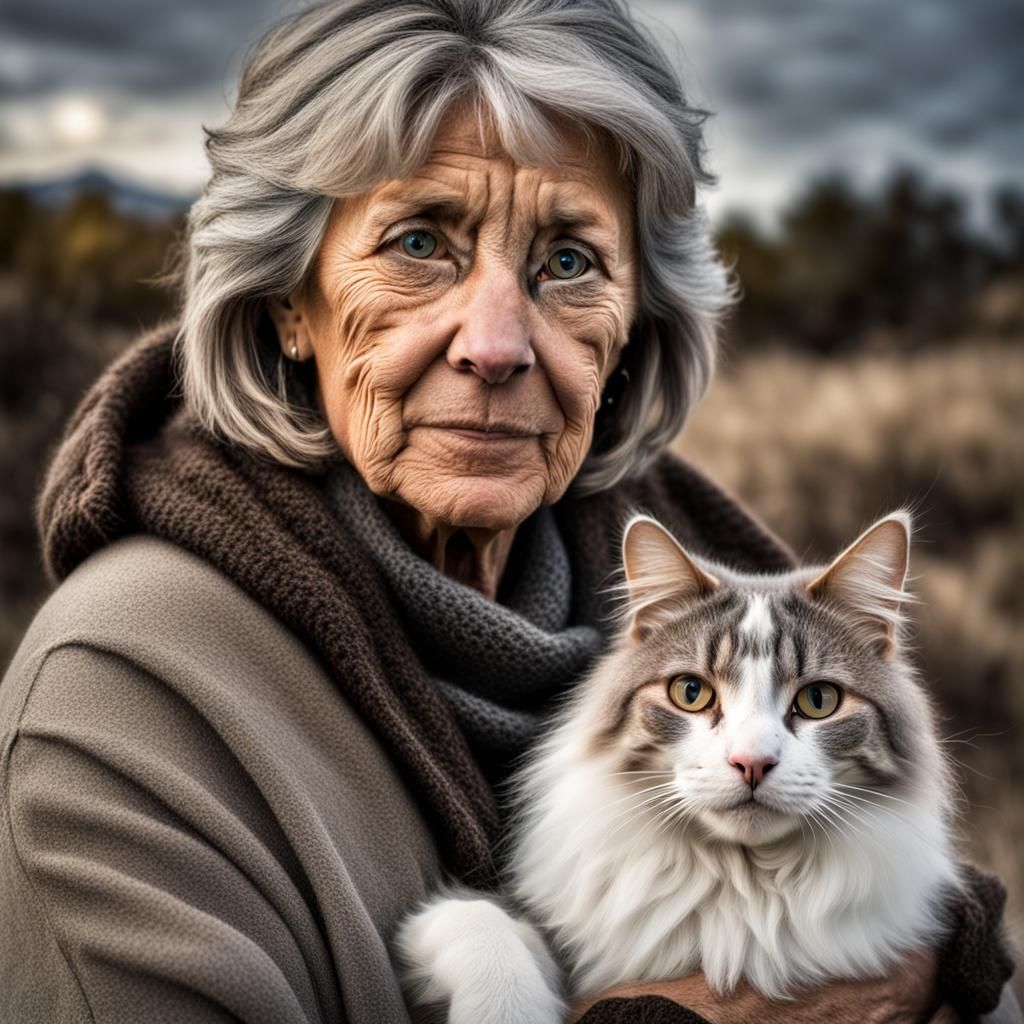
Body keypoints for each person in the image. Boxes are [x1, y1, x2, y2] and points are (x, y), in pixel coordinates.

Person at [0, 1, 1017, 1021]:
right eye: (417, 243)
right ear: (287, 303)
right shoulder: (118, 697)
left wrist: (931, 951)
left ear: (632, 328)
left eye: (568, 262)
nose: (495, 344)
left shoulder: (703, 571)